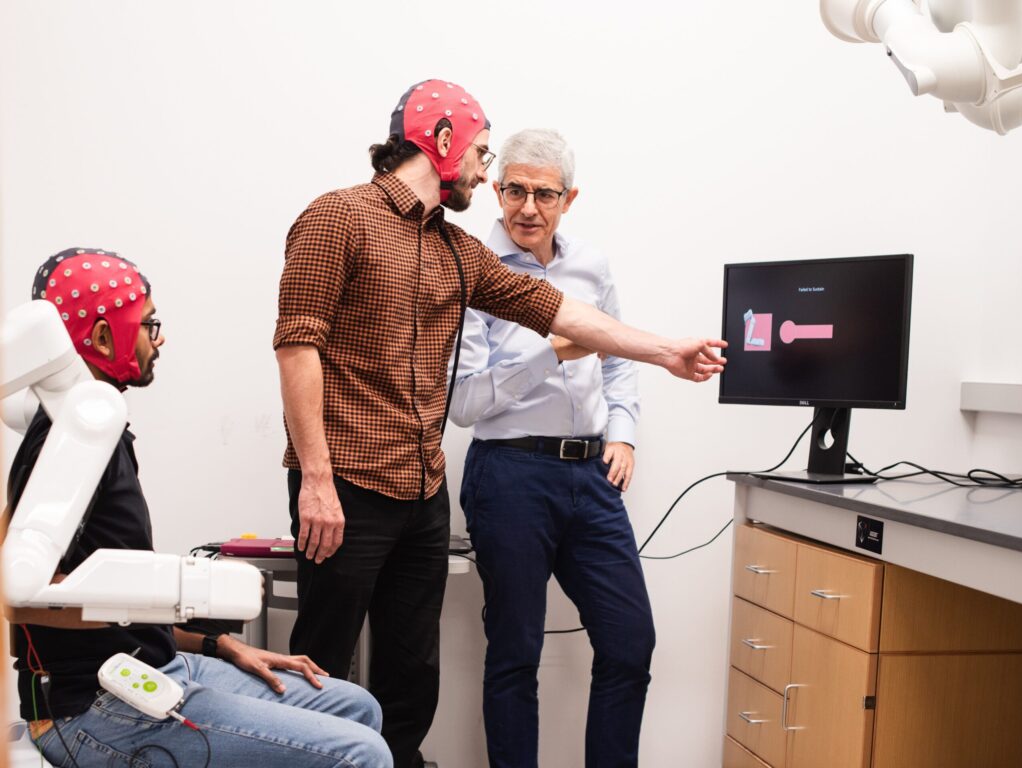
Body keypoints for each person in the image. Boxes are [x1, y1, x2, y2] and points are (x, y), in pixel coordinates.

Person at [274, 79, 726, 768]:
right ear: (443, 141)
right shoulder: (338, 216)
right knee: (324, 665)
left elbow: (560, 312)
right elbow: (297, 345)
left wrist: (665, 352)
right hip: (348, 485)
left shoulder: (457, 251)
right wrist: (315, 478)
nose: (485, 173)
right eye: (483, 154)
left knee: (411, 677)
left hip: (423, 491)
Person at [7, 248, 392, 768]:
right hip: (92, 708)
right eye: (148, 324)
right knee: (362, 754)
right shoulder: (67, 442)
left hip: (154, 666)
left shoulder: (97, 431)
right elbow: (23, 596)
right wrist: (176, 594)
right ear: (101, 337)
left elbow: (114, 606)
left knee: (357, 707)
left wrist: (221, 645)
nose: (159, 338)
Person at [449, 128, 660, 767]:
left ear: (569, 199)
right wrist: (552, 354)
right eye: (515, 190)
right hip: (509, 474)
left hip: (591, 476)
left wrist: (623, 435)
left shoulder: (590, 265)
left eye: (545, 194)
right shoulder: (473, 269)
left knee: (630, 643)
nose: (528, 208)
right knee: (516, 654)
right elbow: (464, 403)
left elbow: (619, 359)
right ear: (496, 190)